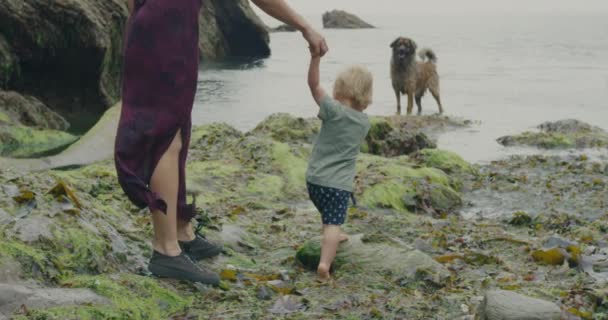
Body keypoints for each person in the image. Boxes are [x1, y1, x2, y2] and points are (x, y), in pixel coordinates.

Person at [115, 0, 328, 285]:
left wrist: (139, 24)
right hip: (166, 31)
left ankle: (180, 230)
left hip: (160, 28)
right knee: (167, 136)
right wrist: (304, 26)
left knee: (178, 126)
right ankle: (166, 250)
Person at [306, 50, 373, 279]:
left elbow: (313, 85)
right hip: (338, 186)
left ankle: (334, 233)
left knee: (329, 215)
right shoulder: (364, 123)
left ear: (338, 89)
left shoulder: (331, 110)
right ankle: (325, 264)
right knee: (333, 222)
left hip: (314, 180)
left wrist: (315, 58)